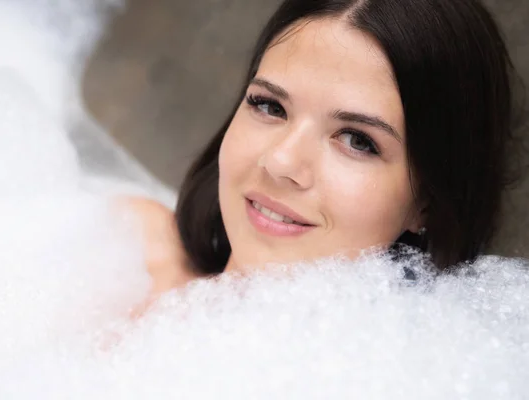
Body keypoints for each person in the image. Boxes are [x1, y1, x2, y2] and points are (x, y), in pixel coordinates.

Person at [125, 0, 523, 302]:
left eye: (357, 140)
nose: (281, 162)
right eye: (270, 106)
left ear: (428, 204)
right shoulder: (124, 246)